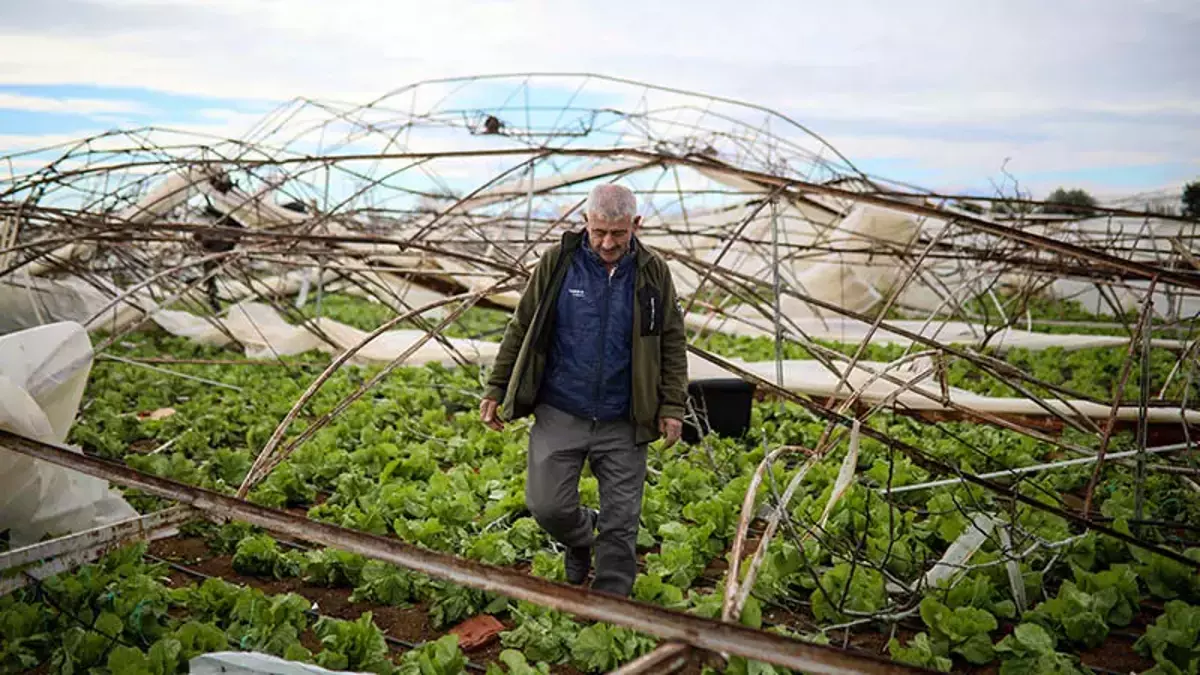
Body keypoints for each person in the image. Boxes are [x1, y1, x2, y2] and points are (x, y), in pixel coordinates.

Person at [479, 184, 689, 597]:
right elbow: (521, 325)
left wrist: (672, 405)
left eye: (618, 233)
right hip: (562, 407)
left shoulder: (653, 272)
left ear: (636, 225)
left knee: (622, 522)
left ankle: (610, 609)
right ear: (586, 223)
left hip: (626, 416)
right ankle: (579, 535)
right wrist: (497, 386)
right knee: (547, 506)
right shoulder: (559, 263)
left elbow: (671, 340)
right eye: (598, 232)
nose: (607, 243)